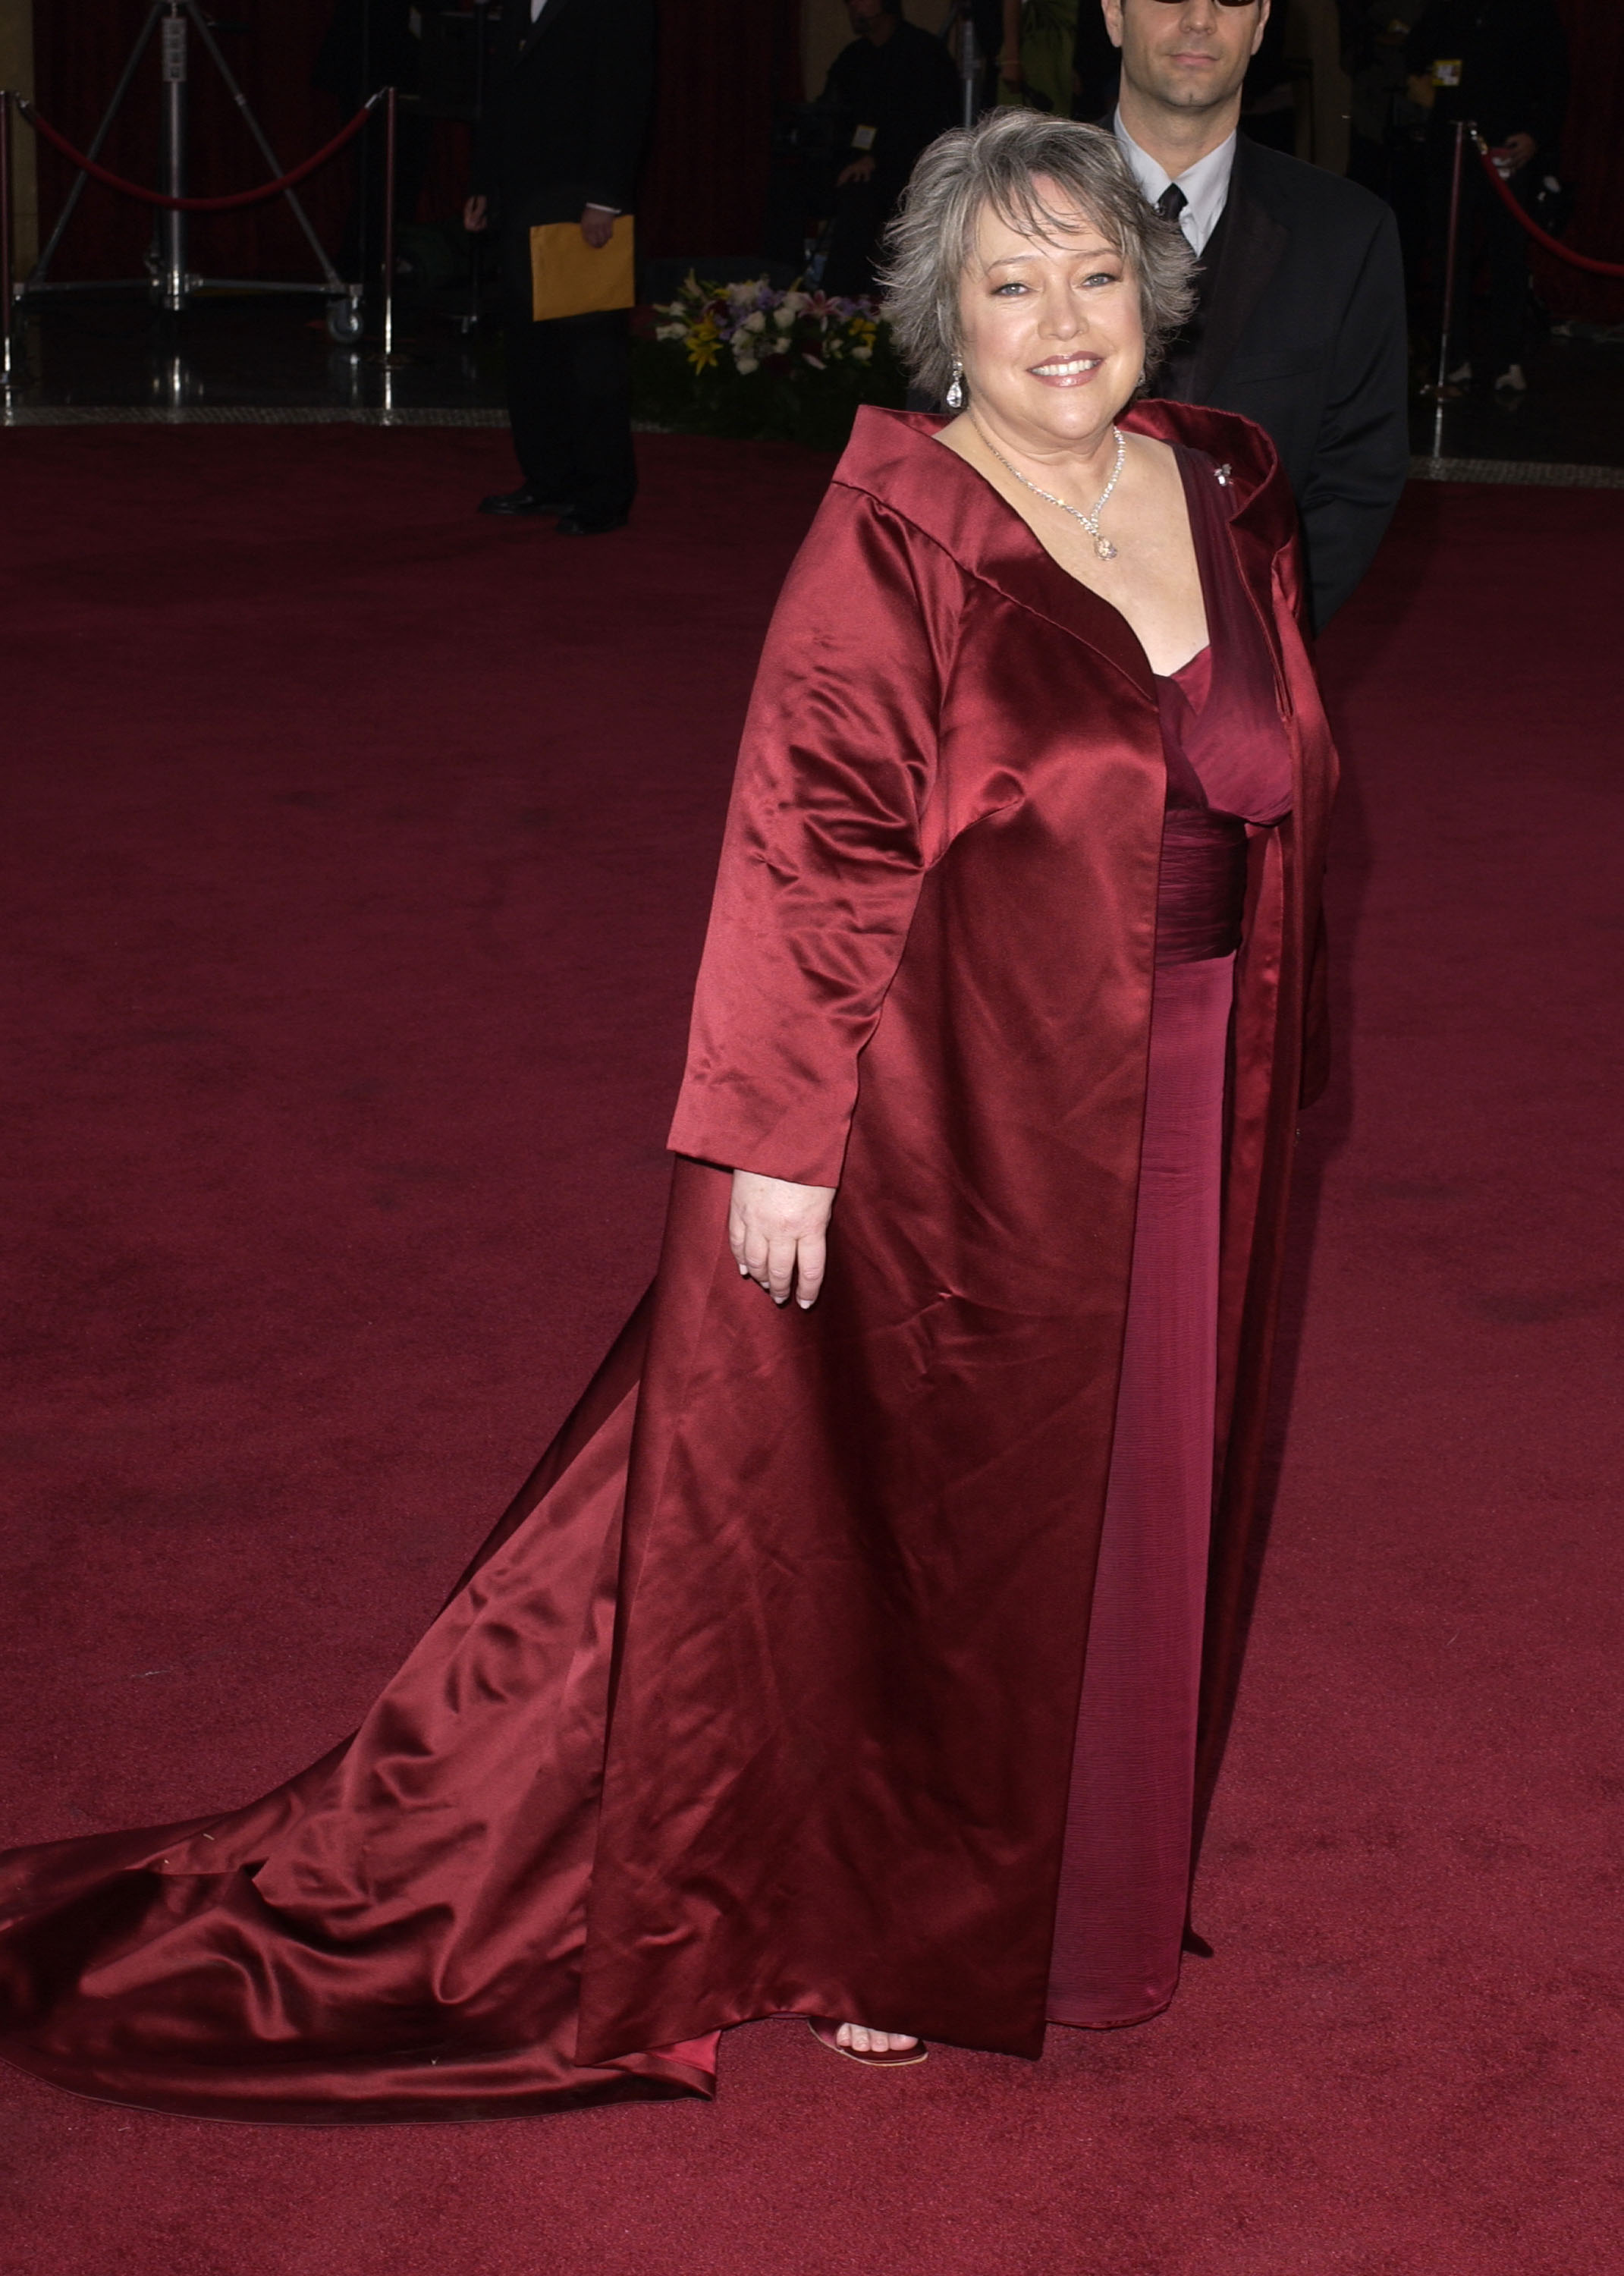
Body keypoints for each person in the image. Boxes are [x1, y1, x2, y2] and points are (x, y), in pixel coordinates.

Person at [0, 111, 1340, 2115]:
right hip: (961, 1112)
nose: (1061, 319)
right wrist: (780, 1138)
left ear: (1146, 292)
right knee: (933, 1519)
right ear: (942, 319)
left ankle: (1085, 1891)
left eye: (1091, 275)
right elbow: (810, 839)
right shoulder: (896, 530)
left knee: (1140, 1490)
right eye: (1008, 283)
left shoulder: (1215, 491)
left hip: (1185, 1077)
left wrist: (1269, 1055)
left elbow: (1269, 787)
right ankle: (890, 1914)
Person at [1101, 0, 1409, 629]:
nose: (1199, 18)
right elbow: (951, 438)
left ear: (1261, 23)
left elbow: (1359, 469)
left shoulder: (1345, 233)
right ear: (1113, 13)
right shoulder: (1009, 211)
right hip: (1034, 646)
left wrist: (1261, 633)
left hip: (1251, 644)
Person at [464, 0, 655, 533]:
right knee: (530, 350)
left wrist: (605, 198)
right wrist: (483, 181)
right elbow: (501, 92)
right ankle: (547, 478)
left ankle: (604, 494)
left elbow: (625, 96)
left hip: (583, 204)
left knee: (590, 354)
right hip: (521, 198)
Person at [1405, 0, 1569, 398]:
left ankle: (1507, 359)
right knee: (1449, 255)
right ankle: (1452, 358)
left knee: (1508, 255)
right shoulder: (1447, 9)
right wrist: (1428, 88)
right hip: (1451, 146)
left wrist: (1536, 135)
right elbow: (1417, 53)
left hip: (1508, 148)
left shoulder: (1533, 11)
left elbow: (1556, 80)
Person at [818, 0, 962, 297]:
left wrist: (877, 158)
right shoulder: (854, 57)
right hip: (854, 163)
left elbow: (933, 126)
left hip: (907, 170)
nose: (855, 8)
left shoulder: (923, 53)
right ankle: (784, 292)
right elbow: (832, 114)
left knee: (860, 199)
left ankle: (840, 301)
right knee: (788, 185)